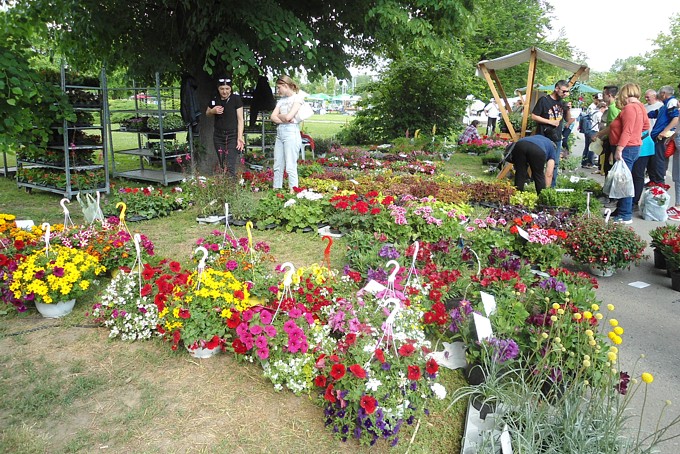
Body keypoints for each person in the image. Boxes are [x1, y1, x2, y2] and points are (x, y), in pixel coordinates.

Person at [607, 83, 649, 224]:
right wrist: (637, 138)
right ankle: (620, 210)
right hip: (632, 147)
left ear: (626, 94)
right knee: (623, 179)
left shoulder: (630, 108)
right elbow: (646, 127)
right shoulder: (640, 107)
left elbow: (627, 130)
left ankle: (625, 215)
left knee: (624, 181)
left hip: (626, 148)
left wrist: (620, 148)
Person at [531, 80, 571, 187]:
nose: (565, 94)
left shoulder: (562, 103)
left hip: (557, 137)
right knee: (540, 162)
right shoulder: (544, 100)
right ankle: (538, 186)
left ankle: (551, 187)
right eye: (564, 91)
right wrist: (550, 122)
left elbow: (567, 119)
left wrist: (568, 109)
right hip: (543, 137)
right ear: (556, 88)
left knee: (555, 164)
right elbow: (534, 116)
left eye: (567, 92)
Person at [270, 75, 304, 192]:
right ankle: (276, 188)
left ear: (285, 86)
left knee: (290, 165)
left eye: (279, 88)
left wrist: (281, 117)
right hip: (281, 132)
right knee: (277, 164)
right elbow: (273, 117)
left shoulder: (297, 99)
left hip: (291, 133)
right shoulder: (281, 101)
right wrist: (283, 118)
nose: (278, 90)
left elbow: (289, 116)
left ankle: (293, 190)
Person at [206, 77, 245, 176]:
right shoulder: (214, 98)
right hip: (218, 136)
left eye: (227, 89)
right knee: (223, 164)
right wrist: (212, 111)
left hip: (232, 135)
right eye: (222, 89)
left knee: (230, 164)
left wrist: (239, 137)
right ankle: (227, 187)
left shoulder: (236, 99)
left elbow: (240, 120)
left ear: (231, 88)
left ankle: (231, 187)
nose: (224, 91)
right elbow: (207, 113)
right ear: (218, 89)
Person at [647, 85, 679, 184]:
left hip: (662, 137)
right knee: (654, 160)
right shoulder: (665, 105)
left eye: (659, 93)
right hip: (657, 136)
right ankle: (654, 181)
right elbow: (654, 113)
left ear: (663, 94)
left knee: (659, 161)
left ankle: (659, 183)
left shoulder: (672, 102)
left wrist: (664, 131)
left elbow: (675, 118)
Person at [594, 85, 621, 177]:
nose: (602, 96)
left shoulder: (613, 108)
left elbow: (613, 128)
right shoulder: (614, 107)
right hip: (612, 141)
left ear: (609, 95)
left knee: (608, 168)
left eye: (603, 94)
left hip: (613, 142)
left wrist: (599, 135)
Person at [581, 102, 607, 168]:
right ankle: (589, 163)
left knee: (586, 147)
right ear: (602, 107)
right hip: (594, 131)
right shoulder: (599, 114)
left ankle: (584, 162)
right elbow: (601, 123)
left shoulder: (592, 112)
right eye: (605, 108)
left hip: (587, 130)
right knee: (592, 148)